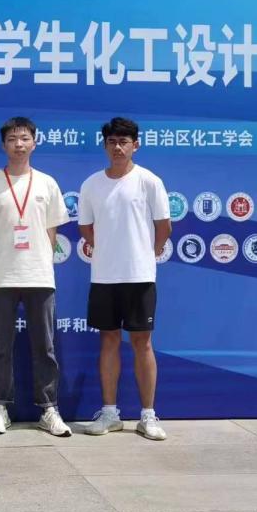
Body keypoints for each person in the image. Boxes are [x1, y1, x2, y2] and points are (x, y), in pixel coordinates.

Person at [0, 116, 71, 438]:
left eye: (25, 138)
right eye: (13, 139)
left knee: (44, 347)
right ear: (3, 145)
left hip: (39, 276)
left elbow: (51, 232)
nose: (19, 144)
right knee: (0, 346)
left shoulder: (47, 183)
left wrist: (38, 259)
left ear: (34, 142)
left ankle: (49, 409)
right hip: (1, 277)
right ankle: (0, 408)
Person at [78, 117, 172, 441]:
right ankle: (109, 413)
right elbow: (85, 228)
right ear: (105, 145)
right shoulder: (91, 184)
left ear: (136, 145)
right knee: (109, 340)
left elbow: (164, 227)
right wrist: (108, 251)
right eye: (112, 142)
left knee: (142, 342)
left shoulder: (149, 181)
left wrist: (145, 254)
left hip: (139, 276)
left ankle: (148, 415)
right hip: (104, 276)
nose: (117, 147)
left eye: (124, 142)